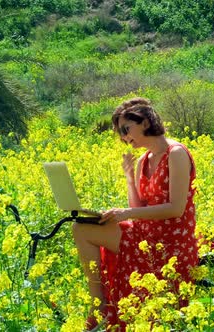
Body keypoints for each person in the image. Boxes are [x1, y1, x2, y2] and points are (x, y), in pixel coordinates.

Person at [72, 97, 199, 331]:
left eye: (125, 129)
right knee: (82, 228)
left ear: (144, 122)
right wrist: (130, 178)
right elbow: (139, 208)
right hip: (144, 235)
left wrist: (126, 213)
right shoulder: (143, 160)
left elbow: (176, 208)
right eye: (120, 133)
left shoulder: (176, 153)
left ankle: (103, 310)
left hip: (171, 245)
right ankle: (98, 304)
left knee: (90, 230)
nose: (123, 137)